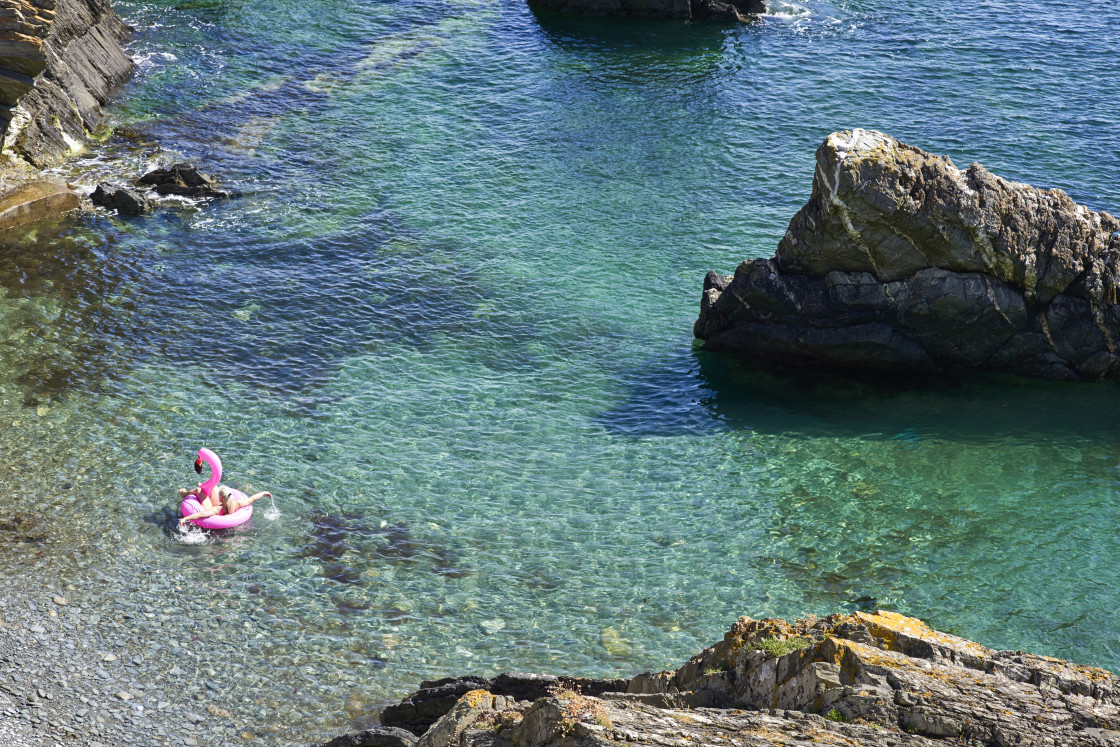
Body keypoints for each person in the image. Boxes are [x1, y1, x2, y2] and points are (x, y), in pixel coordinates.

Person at [179, 485, 272, 527]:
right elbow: (252, 498)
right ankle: (204, 488)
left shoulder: (218, 509)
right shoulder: (237, 504)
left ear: (221, 498)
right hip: (224, 511)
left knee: (198, 490)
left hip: (211, 511)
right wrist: (264, 492)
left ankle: (183, 493)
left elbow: (200, 514)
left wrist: (185, 518)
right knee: (213, 487)